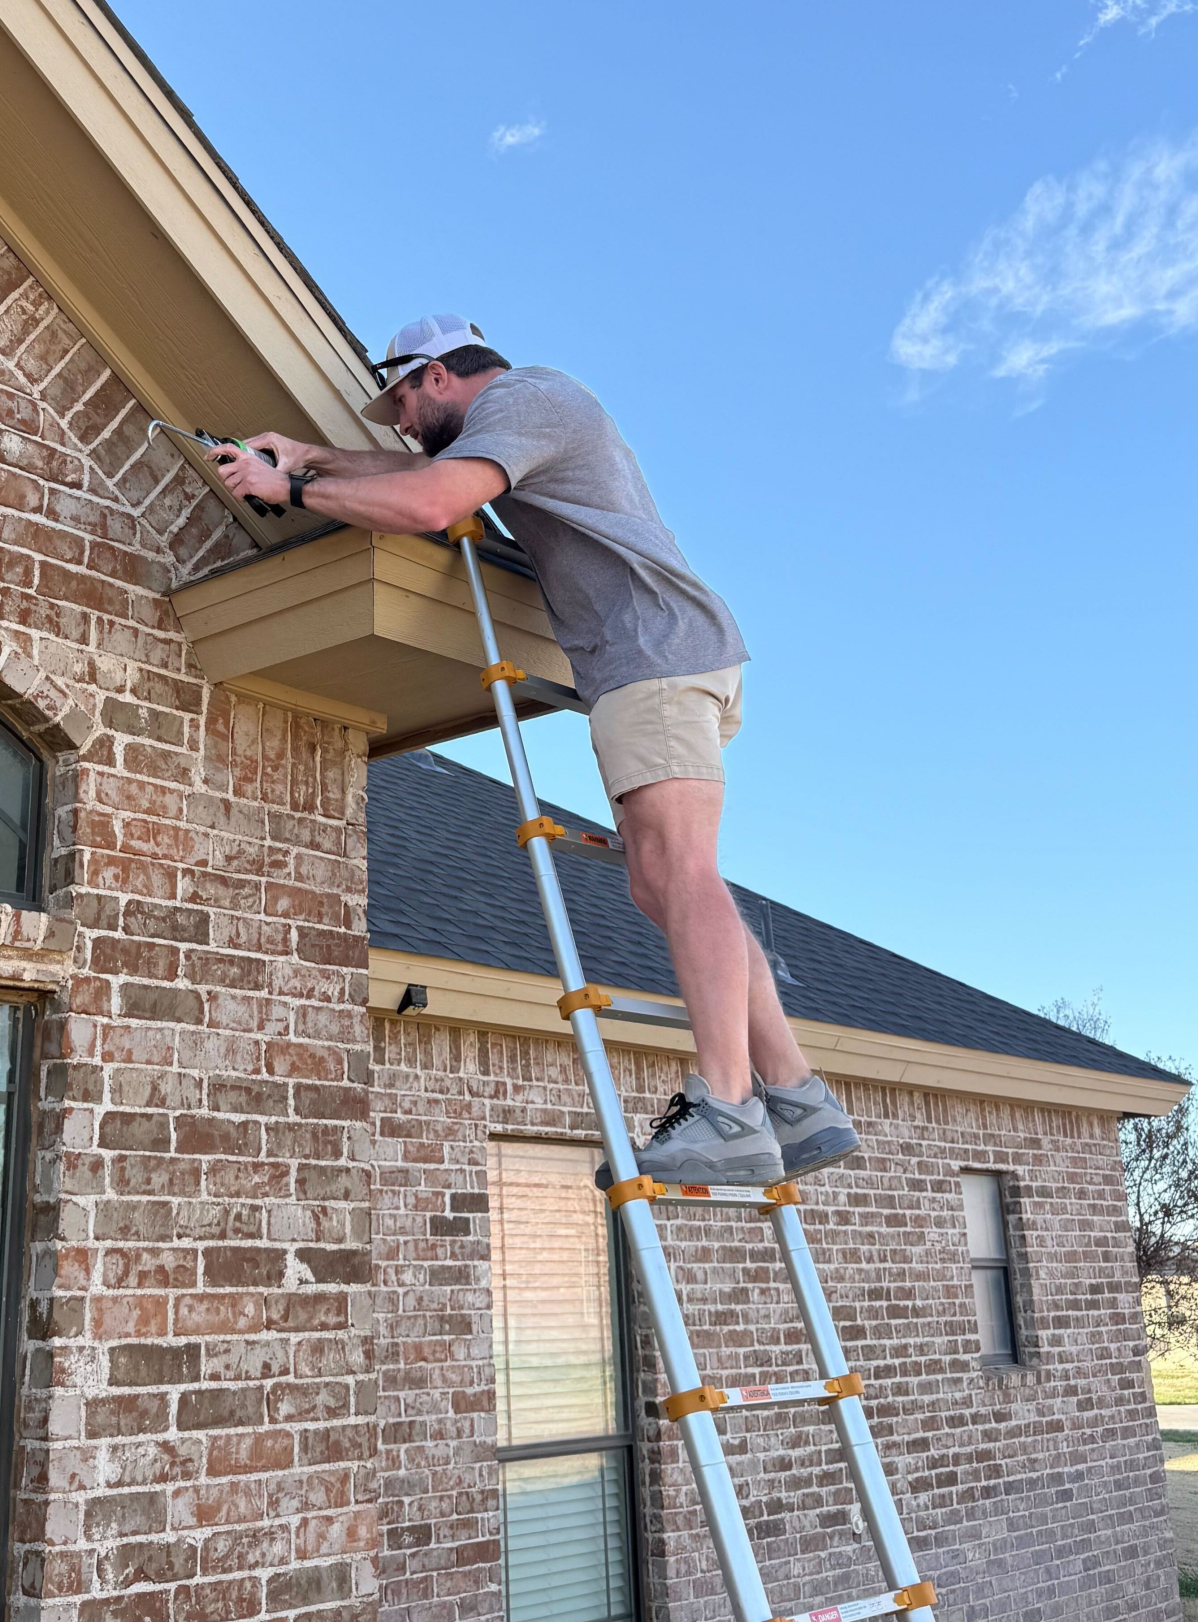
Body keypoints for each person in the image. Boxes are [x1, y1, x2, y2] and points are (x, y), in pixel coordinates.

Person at [206, 312, 861, 1187]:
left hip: (651, 656)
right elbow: (419, 470)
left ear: (436, 375)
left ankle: (729, 1107)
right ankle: (795, 1094)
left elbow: (432, 498)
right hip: (663, 657)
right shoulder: (513, 423)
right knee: (660, 881)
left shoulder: (530, 396)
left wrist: (289, 492)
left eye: (400, 399)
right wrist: (310, 455)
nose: (398, 421)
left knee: (683, 873)